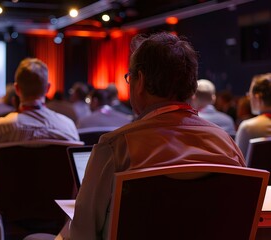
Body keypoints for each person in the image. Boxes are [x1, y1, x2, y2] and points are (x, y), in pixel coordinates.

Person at [70, 32, 245, 240]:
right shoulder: (226, 144)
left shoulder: (116, 148)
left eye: (129, 78)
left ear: (140, 80)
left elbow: (82, 234)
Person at [0, 58, 79, 214]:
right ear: (47, 88)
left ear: (16, 88)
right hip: (56, 213)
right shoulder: (68, 126)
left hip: (6, 213)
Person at [236, 73, 271, 157]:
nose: (249, 98)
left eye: (249, 95)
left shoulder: (248, 127)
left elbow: (239, 164)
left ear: (257, 97)